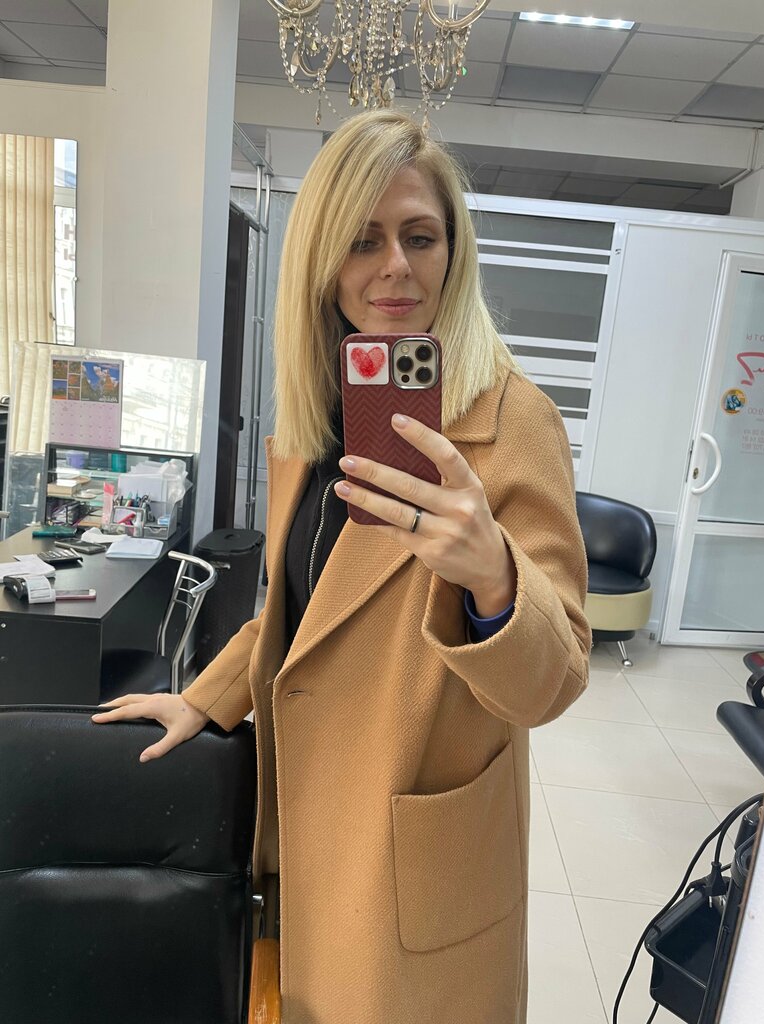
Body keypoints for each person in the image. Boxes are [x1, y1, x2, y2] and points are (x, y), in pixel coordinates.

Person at [92, 110, 590, 1024]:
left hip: (414, 861)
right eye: (363, 240)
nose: (395, 265)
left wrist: (494, 578)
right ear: (322, 258)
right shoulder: (315, 419)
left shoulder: (512, 422)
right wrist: (207, 697)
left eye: (419, 236)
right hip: (300, 831)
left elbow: (553, 683)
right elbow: (303, 611)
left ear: (453, 251)